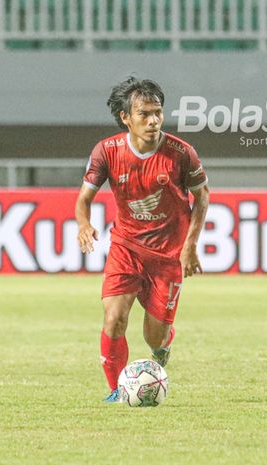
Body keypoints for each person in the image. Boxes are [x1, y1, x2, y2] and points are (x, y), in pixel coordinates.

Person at [74, 77, 210, 403]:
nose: (153, 121)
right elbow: (84, 199)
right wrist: (83, 224)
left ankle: (163, 346)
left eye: (158, 113)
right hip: (126, 247)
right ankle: (116, 391)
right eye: (144, 114)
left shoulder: (181, 153)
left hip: (168, 255)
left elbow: (201, 197)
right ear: (126, 118)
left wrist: (190, 246)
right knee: (114, 317)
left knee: (155, 336)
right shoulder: (106, 151)